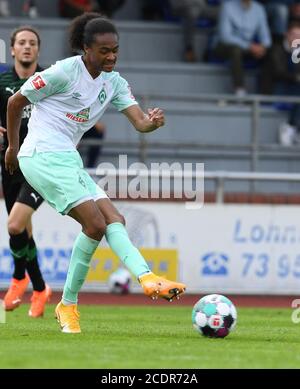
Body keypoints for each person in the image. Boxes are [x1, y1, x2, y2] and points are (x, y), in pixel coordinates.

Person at [5, 13, 186, 334]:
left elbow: (140, 123)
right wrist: (13, 148)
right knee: (95, 223)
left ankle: (146, 278)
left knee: (114, 219)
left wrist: (152, 122)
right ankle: (69, 304)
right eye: (104, 50)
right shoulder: (62, 72)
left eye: (115, 49)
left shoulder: (113, 82)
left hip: (67, 158)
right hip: (41, 155)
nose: (112, 56)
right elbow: (16, 102)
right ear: (85, 49)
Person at [0, 26, 51, 317]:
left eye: (32, 43)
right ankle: (41, 289)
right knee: (24, 231)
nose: (27, 47)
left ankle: (19, 277)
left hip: (39, 165)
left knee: (15, 226)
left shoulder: (47, 80)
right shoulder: (2, 79)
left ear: (38, 50)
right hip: (9, 164)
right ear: (12, 49)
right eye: (22, 43)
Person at [213, 0, 271, 96]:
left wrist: (263, 47)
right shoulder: (227, 6)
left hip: (248, 47)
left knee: (271, 52)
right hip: (224, 45)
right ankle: (239, 89)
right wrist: (249, 46)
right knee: (235, 50)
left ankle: (266, 93)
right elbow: (225, 36)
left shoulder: (259, 9)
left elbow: (266, 37)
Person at [261, 21, 300, 145]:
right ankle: (290, 126)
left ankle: (293, 127)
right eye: (294, 35)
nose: (297, 38)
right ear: (286, 35)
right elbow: (279, 73)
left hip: (292, 86)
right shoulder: (276, 49)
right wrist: (297, 77)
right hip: (275, 87)